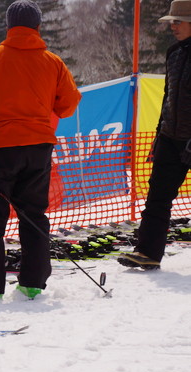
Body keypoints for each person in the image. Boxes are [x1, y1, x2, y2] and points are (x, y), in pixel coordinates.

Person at [0, 0, 81, 300]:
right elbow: (68, 104)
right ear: (37, 27)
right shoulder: (53, 62)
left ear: (9, 26)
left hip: (1, 149)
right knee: (34, 215)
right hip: (39, 149)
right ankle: (33, 283)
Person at [118, 0, 191, 270]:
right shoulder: (174, 53)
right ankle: (147, 253)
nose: (172, 26)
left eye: (178, 21)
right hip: (172, 140)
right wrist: (160, 134)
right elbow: (168, 98)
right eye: (171, 21)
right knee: (157, 198)